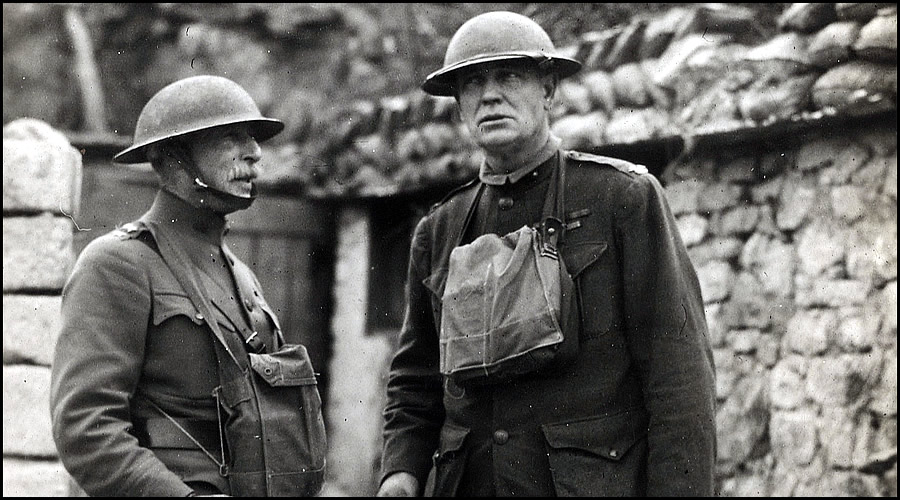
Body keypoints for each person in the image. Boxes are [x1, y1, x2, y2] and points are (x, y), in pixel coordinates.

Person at [377, 11, 716, 497]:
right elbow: (415, 378)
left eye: (509, 75)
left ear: (549, 91)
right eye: (471, 83)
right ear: (458, 105)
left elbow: (679, 380)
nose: (489, 94)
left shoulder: (622, 198)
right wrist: (401, 473)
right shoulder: (439, 230)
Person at [50, 75, 327, 497]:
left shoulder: (241, 275)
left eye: (251, 137)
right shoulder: (118, 264)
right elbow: (86, 428)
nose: (253, 153)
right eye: (230, 138)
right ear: (174, 155)